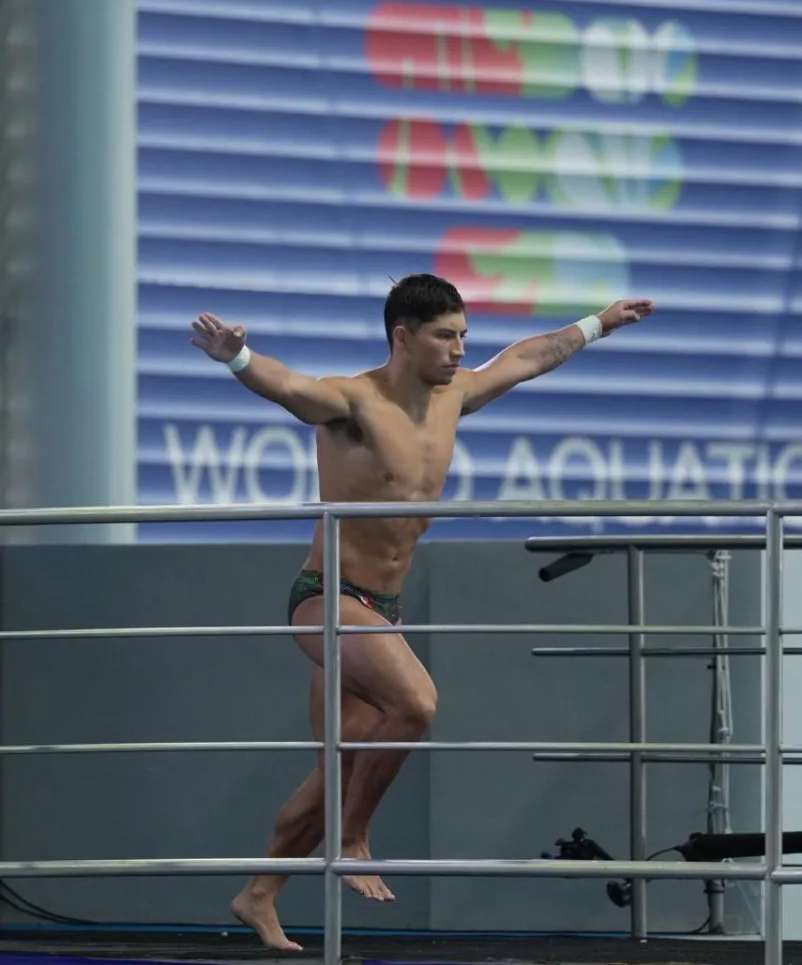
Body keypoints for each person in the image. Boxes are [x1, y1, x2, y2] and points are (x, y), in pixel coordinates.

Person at [190, 273, 654, 950]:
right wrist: (236, 356)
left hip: (383, 606)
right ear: (402, 337)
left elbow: (528, 357)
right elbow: (289, 387)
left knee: (340, 765)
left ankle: (258, 893)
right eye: (445, 336)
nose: (460, 349)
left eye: (464, 335)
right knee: (416, 704)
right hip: (328, 597)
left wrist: (599, 324)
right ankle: (352, 840)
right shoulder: (354, 399)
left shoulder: (453, 397)